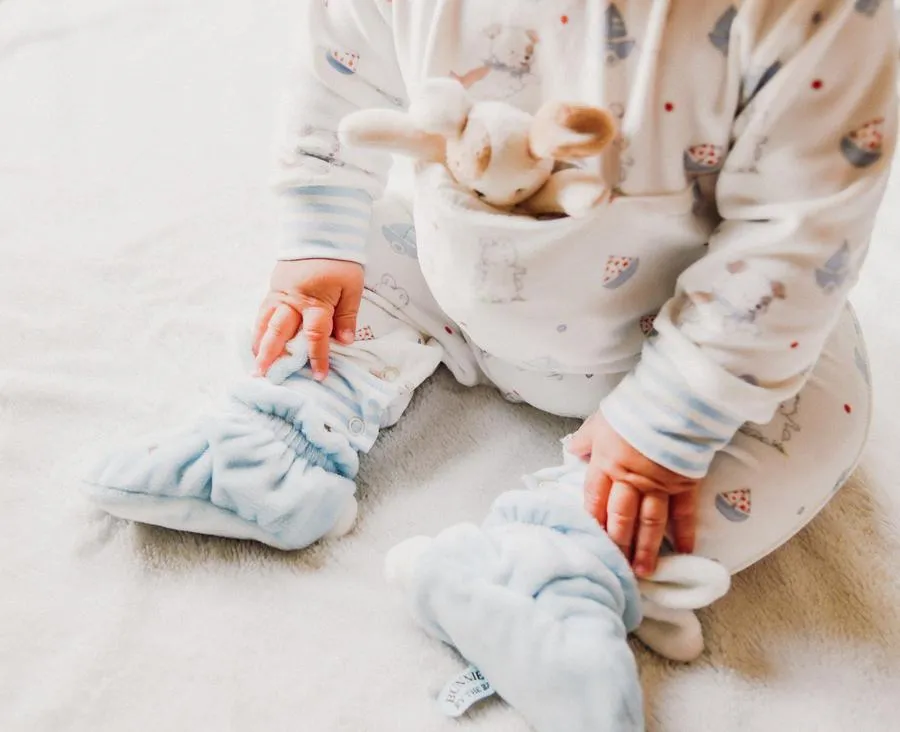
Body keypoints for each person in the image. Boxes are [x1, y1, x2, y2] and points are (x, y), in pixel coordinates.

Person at [86, 0, 897, 580]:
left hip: (684, 335)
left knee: (816, 418)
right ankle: (276, 443)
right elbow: (342, 66)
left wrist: (672, 424)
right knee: (346, 261)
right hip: (461, 274)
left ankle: (560, 563)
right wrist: (318, 230)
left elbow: (796, 237)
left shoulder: (821, 21)